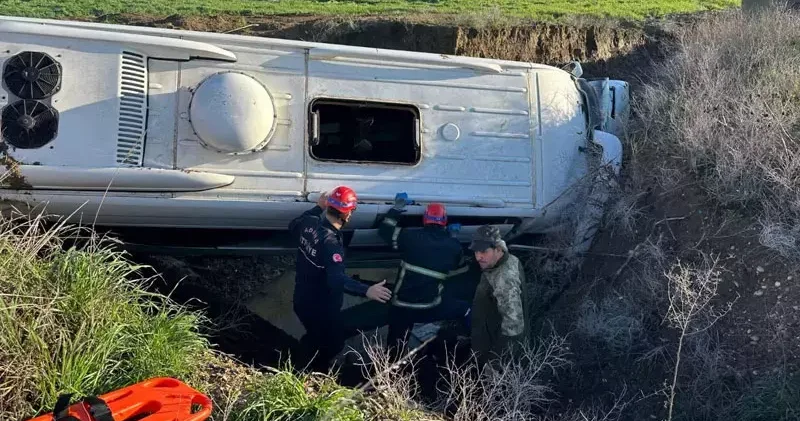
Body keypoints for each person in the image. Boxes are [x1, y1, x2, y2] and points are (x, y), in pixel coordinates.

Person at [288, 185, 393, 373]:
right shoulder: (331, 244)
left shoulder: (310, 222)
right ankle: (313, 370)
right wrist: (367, 290)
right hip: (322, 307)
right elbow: (336, 279)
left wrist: (317, 207)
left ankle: (303, 359)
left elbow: (293, 225)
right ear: (347, 214)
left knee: (315, 335)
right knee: (333, 344)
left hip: (302, 299)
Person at [378, 194, 471, 358]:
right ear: (445, 222)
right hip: (430, 307)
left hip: (402, 305)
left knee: (395, 347)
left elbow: (385, 231)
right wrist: (453, 239)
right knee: (464, 308)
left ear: (424, 219)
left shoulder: (410, 237)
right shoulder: (453, 246)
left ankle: (391, 372)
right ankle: (470, 346)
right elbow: (459, 266)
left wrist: (397, 208)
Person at [468, 224, 530, 367]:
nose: (478, 256)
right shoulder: (507, 260)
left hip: (496, 353)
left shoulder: (505, 279)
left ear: (498, 249)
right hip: (489, 337)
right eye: (476, 251)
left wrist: (495, 363)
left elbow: (513, 327)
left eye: (483, 251)